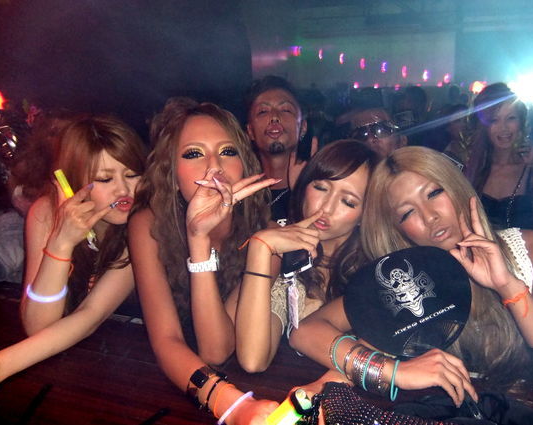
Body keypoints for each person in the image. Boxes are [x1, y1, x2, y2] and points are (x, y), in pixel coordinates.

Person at [290, 146, 533, 407]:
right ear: (398, 230)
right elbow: (305, 332)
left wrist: (506, 285)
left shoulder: (525, 246)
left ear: (456, 187)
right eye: (407, 213)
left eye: (434, 193)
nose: (430, 216)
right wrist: (393, 372)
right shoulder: (406, 280)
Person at [128, 98, 278, 422]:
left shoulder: (266, 235)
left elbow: (217, 350)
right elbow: (167, 340)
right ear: (171, 174)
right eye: (194, 153)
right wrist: (233, 406)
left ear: (244, 164)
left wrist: (199, 242)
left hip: (244, 378)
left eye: (228, 151)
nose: (215, 167)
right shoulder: (147, 225)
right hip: (164, 385)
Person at [0, 114, 146, 385]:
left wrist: (1, 366)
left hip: (132, 363)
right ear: (74, 182)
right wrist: (61, 243)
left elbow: (91, 314)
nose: (123, 190)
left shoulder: (143, 223)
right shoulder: (46, 212)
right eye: (104, 179)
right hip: (67, 360)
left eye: (132, 174)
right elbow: (38, 325)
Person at [235, 140, 379, 372]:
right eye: (321, 188)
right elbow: (253, 360)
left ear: (366, 214)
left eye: (348, 201)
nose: (326, 208)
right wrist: (260, 248)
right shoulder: (288, 259)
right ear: (304, 187)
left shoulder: (376, 270)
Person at [464, 84, 533, 230]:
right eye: (494, 120)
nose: (503, 128)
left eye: (511, 118)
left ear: (521, 122)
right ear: (483, 125)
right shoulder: (471, 167)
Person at [245, 75, 315, 227]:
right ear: (250, 131)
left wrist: (301, 192)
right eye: (263, 111)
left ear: (302, 128)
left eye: (286, 110)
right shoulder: (242, 195)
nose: (274, 117)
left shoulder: (320, 188)